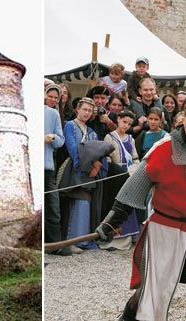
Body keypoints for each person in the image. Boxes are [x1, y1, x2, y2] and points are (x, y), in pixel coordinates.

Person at [95, 118, 186, 321]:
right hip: (166, 230)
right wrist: (111, 222)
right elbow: (133, 191)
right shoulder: (163, 149)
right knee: (154, 294)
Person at [60, 97, 109, 253]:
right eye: (85, 109)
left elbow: (97, 152)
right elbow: (72, 147)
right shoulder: (70, 125)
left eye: (90, 110)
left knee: (88, 202)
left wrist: (95, 166)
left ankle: (84, 239)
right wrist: (83, 166)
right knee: (77, 200)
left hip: (90, 171)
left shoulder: (93, 132)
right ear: (77, 110)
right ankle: (72, 240)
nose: (87, 113)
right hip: (75, 168)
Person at [101, 110, 140, 251]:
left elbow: (135, 158)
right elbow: (106, 157)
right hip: (115, 176)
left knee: (127, 206)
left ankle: (126, 239)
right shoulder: (109, 137)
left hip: (128, 175)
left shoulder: (131, 139)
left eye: (129, 124)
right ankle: (112, 239)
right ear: (118, 119)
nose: (126, 126)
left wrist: (134, 170)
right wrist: (112, 166)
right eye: (124, 122)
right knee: (115, 206)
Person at [44, 84, 71, 256]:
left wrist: (53, 138)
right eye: (50, 96)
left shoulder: (54, 114)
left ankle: (54, 245)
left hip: (48, 166)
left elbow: (61, 141)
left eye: (56, 97)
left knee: (53, 205)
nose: (53, 99)